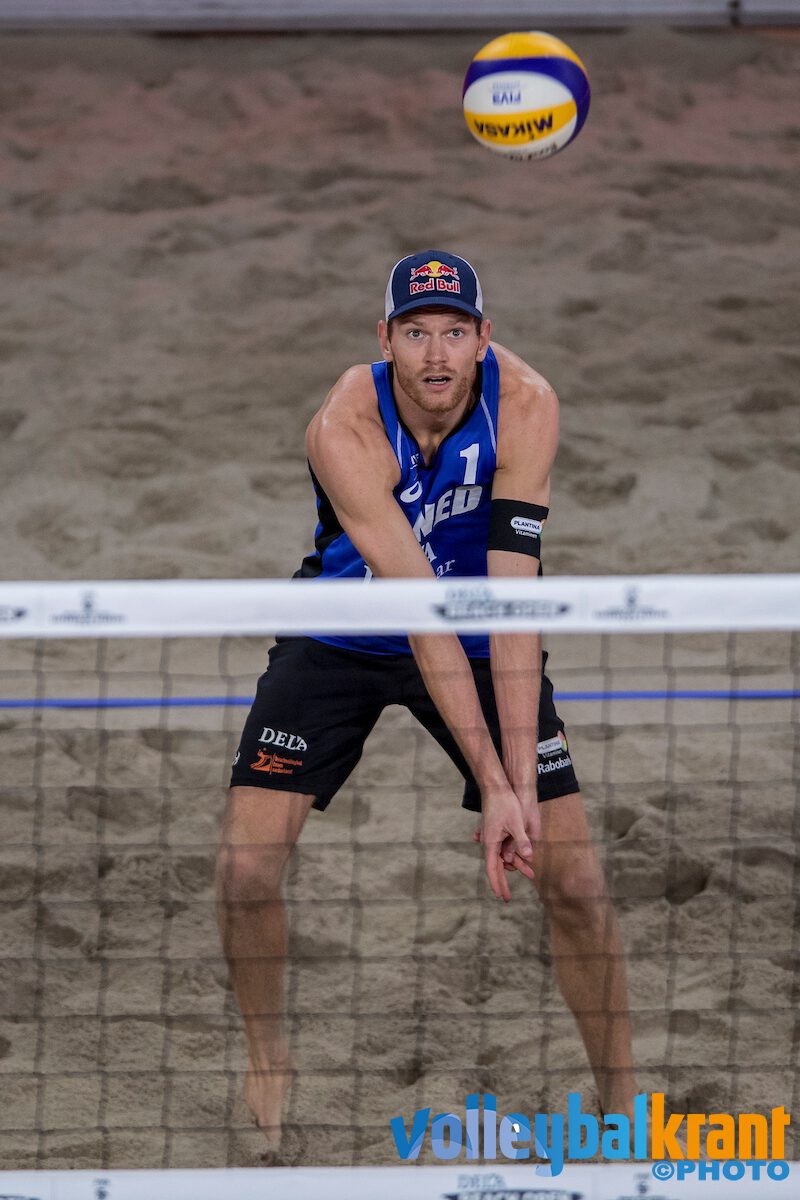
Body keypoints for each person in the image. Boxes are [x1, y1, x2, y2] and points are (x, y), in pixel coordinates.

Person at [217, 250, 638, 1153]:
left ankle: (623, 1102)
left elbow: (512, 606)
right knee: (245, 873)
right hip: (347, 628)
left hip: (484, 632)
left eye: (454, 332)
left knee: (575, 882)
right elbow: (420, 615)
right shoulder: (344, 424)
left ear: (484, 338)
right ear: (386, 341)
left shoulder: (526, 405)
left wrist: (516, 787)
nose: (436, 354)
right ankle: (267, 1061)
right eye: (416, 333)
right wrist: (493, 783)